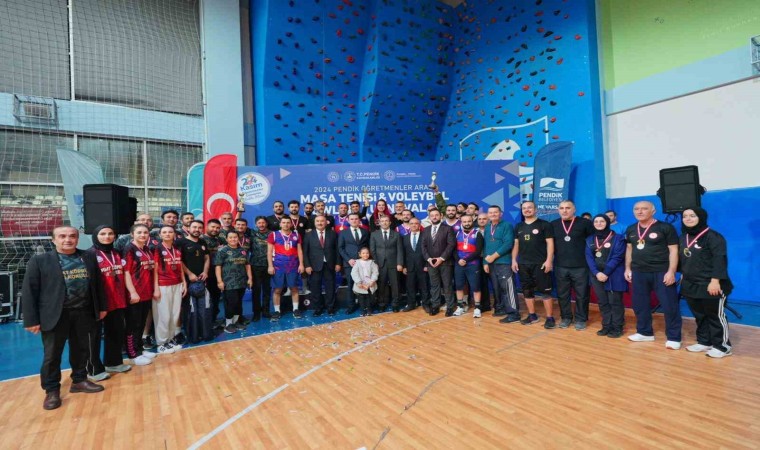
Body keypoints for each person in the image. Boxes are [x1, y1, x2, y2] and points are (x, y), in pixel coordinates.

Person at [22, 226, 107, 410]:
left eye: (72, 236)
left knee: (81, 350)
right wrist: (31, 319)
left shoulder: (88, 256)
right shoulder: (40, 260)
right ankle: (52, 390)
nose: (67, 239)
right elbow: (29, 291)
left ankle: (79, 380)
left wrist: (101, 307)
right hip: (55, 315)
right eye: (62, 236)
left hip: (83, 312)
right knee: (52, 355)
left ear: (77, 238)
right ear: (54, 240)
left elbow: (98, 285)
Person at [624, 201, 681, 348]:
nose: (640, 211)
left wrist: (671, 271)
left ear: (653, 211)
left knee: (669, 305)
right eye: (636, 209)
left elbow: (674, 250)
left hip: (661, 271)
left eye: (644, 209)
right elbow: (629, 249)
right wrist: (627, 268)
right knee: (640, 304)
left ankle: (674, 337)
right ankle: (644, 333)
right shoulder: (631, 229)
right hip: (638, 272)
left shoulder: (665, 227)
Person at [679, 207, 733, 358]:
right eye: (685, 216)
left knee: (715, 316)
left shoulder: (713, 237)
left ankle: (723, 346)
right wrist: (683, 274)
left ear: (701, 217)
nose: (688, 218)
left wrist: (715, 281)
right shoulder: (683, 237)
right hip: (690, 283)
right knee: (700, 315)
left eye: (692, 215)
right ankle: (704, 341)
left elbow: (719, 260)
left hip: (711, 284)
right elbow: (684, 258)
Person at [87, 226, 133, 379]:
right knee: (94, 337)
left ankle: (113, 362)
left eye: (110, 233)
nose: (107, 236)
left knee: (115, 332)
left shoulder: (117, 252)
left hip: (117, 299)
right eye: (103, 234)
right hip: (99, 302)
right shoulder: (90, 254)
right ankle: (94, 369)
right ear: (96, 236)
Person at [551, 200, 594, 330]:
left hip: (581, 266)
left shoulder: (585, 223)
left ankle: (581, 319)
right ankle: (566, 317)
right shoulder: (553, 224)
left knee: (582, 294)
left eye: (568, 208)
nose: (564, 210)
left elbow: (593, 242)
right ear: (558, 210)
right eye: (561, 208)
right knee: (562, 294)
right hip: (560, 265)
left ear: (574, 209)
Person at [511, 201, 555, 328]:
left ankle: (550, 318)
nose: (527, 210)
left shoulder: (544, 224)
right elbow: (516, 245)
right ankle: (532, 315)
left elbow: (550, 243)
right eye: (524, 208)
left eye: (529, 207)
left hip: (540, 264)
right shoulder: (518, 226)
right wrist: (514, 260)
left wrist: (549, 260)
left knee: (545, 292)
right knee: (527, 291)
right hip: (523, 264)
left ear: (535, 209)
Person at [585, 214, 627, 338]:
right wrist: (597, 273)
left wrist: (605, 272)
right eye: (596, 221)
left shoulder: (618, 238)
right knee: (603, 302)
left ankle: (617, 327)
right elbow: (589, 258)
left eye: (602, 221)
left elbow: (618, 257)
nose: (598, 223)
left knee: (615, 302)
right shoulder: (590, 239)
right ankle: (606, 325)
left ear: (607, 223)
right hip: (596, 275)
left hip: (614, 274)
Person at [122, 224, 159, 364]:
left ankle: (140, 349)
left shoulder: (147, 249)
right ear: (132, 234)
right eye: (139, 232)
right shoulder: (129, 249)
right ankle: (133, 354)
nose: (143, 235)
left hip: (146, 292)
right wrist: (132, 292)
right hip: (135, 293)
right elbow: (126, 272)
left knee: (142, 323)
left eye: (145, 232)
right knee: (133, 325)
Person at [152, 225, 187, 354]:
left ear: (174, 234)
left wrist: (184, 283)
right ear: (160, 235)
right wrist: (156, 288)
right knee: (163, 315)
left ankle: (170, 339)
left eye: (170, 232)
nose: (167, 234)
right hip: (162, 285)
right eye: (164, 232)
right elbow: (155, 270)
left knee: (174, 314)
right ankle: (161, 343)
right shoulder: (156, 249)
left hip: (177, 284)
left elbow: (180, 267)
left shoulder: (176, 249)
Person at [483, 205, 518, 322]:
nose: (493, 214)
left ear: (500, 214)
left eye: (495, 212)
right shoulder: (487, 227)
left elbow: (508, 243)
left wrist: (493, 256)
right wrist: (485, 262)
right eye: (490, 212)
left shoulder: (507, 225)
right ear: (488, 214)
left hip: (504, 262)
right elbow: (486, 246)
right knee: (496, 287)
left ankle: (514, 314)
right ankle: (501, 309)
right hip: (491, 263)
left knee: (508, 288)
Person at [215, 230, 253, 333]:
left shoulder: (243, 250)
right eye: (230, 237)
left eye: (235, 237)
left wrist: (250, 278)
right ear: (227, 239)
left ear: (238, 238)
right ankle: (228, 324)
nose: (233, 239)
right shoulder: (222, 251)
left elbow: (247, 265)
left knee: (238, 303)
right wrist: (219, 281)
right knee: (231, 303)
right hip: (229, 282)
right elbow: (218, 266)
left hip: (242, 281)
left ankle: (236, 322)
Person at [179, 220, 211, 343]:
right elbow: (179, 260)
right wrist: (189, 274)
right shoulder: (181, 242)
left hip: (201, 281)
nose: (197, 229)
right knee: (191, 310)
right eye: (194, 227)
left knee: (204, 308)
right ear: (189, 228)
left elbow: (207, 258)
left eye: (199, 227)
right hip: (188, 282)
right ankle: (193, 336)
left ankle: (205, 333)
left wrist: (205, 271)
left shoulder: (203, 242)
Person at [267, 216, 305, 320]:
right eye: (283, 222)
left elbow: (300, 251)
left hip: (293, 266)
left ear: (291, 224)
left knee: (294, 288)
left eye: (288, 222)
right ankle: (277, 311)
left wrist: (301, 264)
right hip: (278, 266)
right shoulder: (273, 235)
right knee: (277, 289)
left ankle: (296, 309)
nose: (286, 224)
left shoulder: (296, 235)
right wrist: (270, 266)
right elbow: (269, 252)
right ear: (280, 224)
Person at [303, 215, 341, 316]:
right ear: (314, 223)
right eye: (318, 221)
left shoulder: (333, 234)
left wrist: (338, 263)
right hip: (314, 266)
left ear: (326, 222)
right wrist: (307, 265)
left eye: (322, 221)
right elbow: (305, 252)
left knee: (330, 287)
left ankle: (330, 308)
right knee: (315, 288)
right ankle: (318, 308)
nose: (320, 223)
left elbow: (337, 250)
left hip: (330, 264)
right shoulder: (308, 235)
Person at [421, 208, 456, 316]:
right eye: (432, 215)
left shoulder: (448, 229)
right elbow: (423, 246)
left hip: (445, 262)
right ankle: (435, 305)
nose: (434, 217)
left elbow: (451, 245)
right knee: (434, 285)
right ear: (429, 217)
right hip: (431, 263)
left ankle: (450, 307)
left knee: (447, 285)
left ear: (441, 216)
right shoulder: (426, 230)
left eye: (436, 215)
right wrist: (428, 259)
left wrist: (441, 258)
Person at [370, 215, 403, 312]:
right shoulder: (374, 234)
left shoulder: (396, 234)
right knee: (381, 285)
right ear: (379, 223)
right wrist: (375, 263)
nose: (384, 222)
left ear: (390, 222)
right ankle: (381, 304)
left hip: (394, 263)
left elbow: (400, 250)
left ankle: (395, 304)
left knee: (395, 285)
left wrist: (400, 263)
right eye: (382, 221)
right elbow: (372, 250)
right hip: (380, 264)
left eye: (386, 221)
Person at [338, 213, 370, 314]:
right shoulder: (343, 233)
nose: (354, 220)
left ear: (359, 220)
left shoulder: (365, 232)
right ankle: (351, 306)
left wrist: (365, 259)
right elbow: (340, 248)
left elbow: (368, 246)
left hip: (363, 263)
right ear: (348, 220)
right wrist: (349, 260)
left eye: (356, 219)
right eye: (352, 219)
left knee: (364, 284)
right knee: (351, 285)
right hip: (350, 264)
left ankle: (364, 306)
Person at [453, 214, 484, 317]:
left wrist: (465, 260)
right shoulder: (457, 233)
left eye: (469, 221)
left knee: (475, 287)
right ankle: (460, 307)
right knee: (459, 286)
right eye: (464, 221)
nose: (467, 223)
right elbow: (453, 250)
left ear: (472, 221)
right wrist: (458, 260)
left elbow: (478, 251)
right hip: (459, 264)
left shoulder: (477, 234)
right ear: (461, 222)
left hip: (473, 264)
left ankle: (477, 308)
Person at [402, 218, 428, 312]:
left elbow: (429, 251)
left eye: (416, 223)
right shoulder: (405, 237)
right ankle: (411, 304)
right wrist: (404, 266)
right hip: (409, 267)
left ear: (419, 225)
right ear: (409, 225)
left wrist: (427, 265)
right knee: (410, 286)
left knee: (424, 286)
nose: (414, 225)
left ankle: (426, 304)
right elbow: (403, 253)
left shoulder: (425, 236)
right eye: (412, 223)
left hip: (423, 266)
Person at [202, 219, 225, 321]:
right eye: (213, 227)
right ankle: (205, 322)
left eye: (217, 228)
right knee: (205, 300)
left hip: (217, 274)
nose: (215, 229)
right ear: (207, 227)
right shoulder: (200, 239)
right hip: (204, 274)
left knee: (216, 298)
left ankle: (213, 320)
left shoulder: (220, 240)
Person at [250, 216, 272, 320]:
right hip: (255, 265)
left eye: (263, 223)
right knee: (256, 291)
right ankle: (256, 313)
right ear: (256, 224)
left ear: (266, 224)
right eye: (259, 223)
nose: (261, 225)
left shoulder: (272, 234)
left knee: (267, 290)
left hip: (268, 265)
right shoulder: (252, 233)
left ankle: (266, 311)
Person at [351, 247, 379, 316]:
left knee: (369, 297)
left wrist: (372, 281)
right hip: (360, 284)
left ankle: (369, 310)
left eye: (367, 253)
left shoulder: (372, 262)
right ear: (360, 254)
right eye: (363, 253)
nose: (365, 255)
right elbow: (354, 273)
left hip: (370, 283)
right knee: (361, 298)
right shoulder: (357, 263)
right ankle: (363, 310)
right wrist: (359, 282)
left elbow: (375, 272)